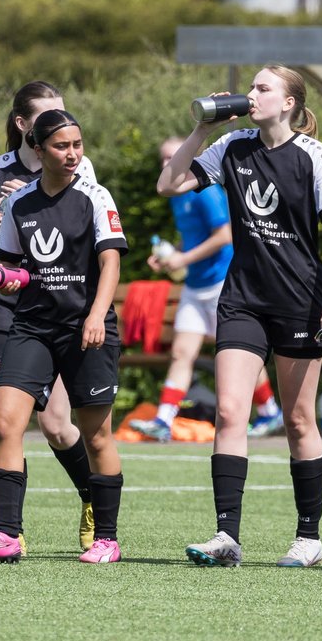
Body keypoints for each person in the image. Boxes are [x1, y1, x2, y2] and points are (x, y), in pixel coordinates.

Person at [158, 65, 322, 569]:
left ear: (289, 102)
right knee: (227, 412)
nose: (251, 96)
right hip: (242, 299)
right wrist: (203, 128)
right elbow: (170, 183)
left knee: (298, 419)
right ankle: (227, 536)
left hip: (299, 301)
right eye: (251, 87)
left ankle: (309, 539)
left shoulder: (314, 155)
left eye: (263, 89)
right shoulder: (234, 146)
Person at [0, 109, 127, 565]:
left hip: (86, 328)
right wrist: (9, 278)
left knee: (95, 436)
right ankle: (6, 535)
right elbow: (14, 263)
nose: (72, 154)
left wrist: (95, 316)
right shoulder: (18, 203)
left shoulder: (95, 196)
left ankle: (107, 538)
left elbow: (110, 262)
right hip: (32, 326)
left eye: (77, 144)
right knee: (5, 421)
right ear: (38, 149)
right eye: (61, 146)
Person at [128, 136, 283, 442]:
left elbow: (225, 235)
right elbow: (195, 238)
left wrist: (183, 258)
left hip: (221, 284)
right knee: (181, 353)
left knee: (242, 353)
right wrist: (170, 254)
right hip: (195, 285)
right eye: (163, 158)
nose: (166, 163)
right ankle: (163, 420)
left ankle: (269, 411)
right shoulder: (175, 192)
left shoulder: (205, 189)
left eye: (172, 156)